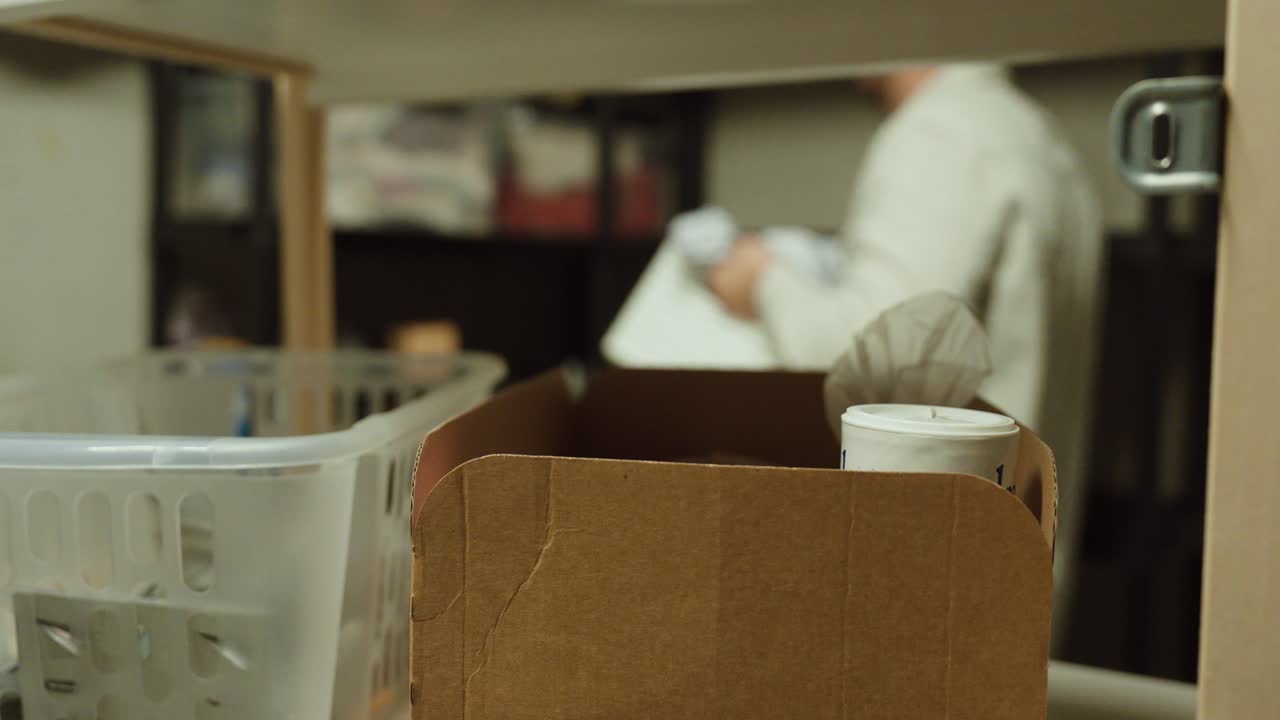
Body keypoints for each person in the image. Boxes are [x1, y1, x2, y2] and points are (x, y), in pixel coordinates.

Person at [707, 64, 1103, 642]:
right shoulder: (1037, 135)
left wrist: (762, 283)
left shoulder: (941, 136)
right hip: (1009, 574)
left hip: (934, 589)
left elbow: (877, 372)